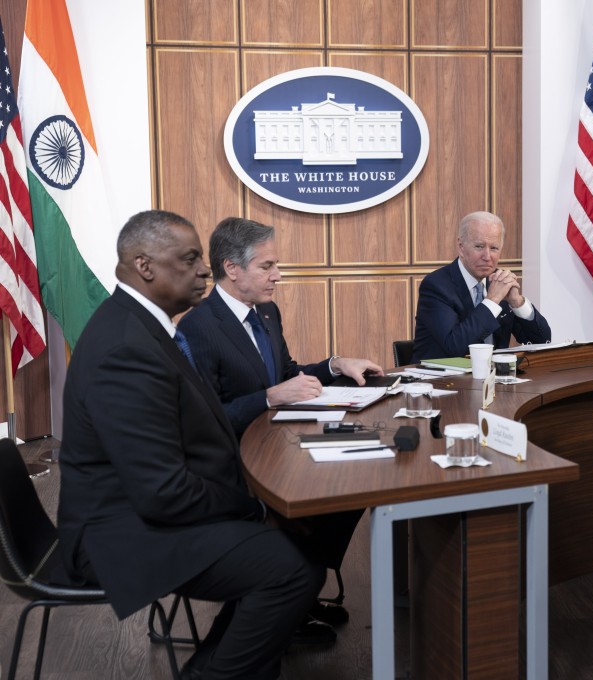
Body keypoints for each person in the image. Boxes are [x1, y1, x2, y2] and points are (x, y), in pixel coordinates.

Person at [57, 210, 323, 680]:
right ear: (145, 267)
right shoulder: (125, 347)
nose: (206, 269)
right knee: (288, 570)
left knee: (298, 547)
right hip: (118, 532)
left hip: (145, 508)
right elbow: (163, 492)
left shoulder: (145, 326)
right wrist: (251, 506)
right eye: (191, 258)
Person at [179, 216, 380, 625]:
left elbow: (286, 372)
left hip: (279, 442)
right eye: (267, 266)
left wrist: (336, 363)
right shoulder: (199, 326)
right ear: (232, 269)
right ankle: (287, 601)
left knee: (354, 480)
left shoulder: (266, 312)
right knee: (317, 495)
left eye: (276, 265)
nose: (278, 275)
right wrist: (269, 396)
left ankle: (296, 595)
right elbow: (204, 420)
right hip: (233, 462)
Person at [412, 210, 551, 362]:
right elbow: (455, 346)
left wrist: (517, 302)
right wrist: (492, 301)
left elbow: (542, 341)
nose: (487, 257)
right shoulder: (436, 286)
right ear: (461, 247)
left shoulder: (499, 282)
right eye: (479, 246)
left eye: (494, 248)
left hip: (493, 380)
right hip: (440, 381)